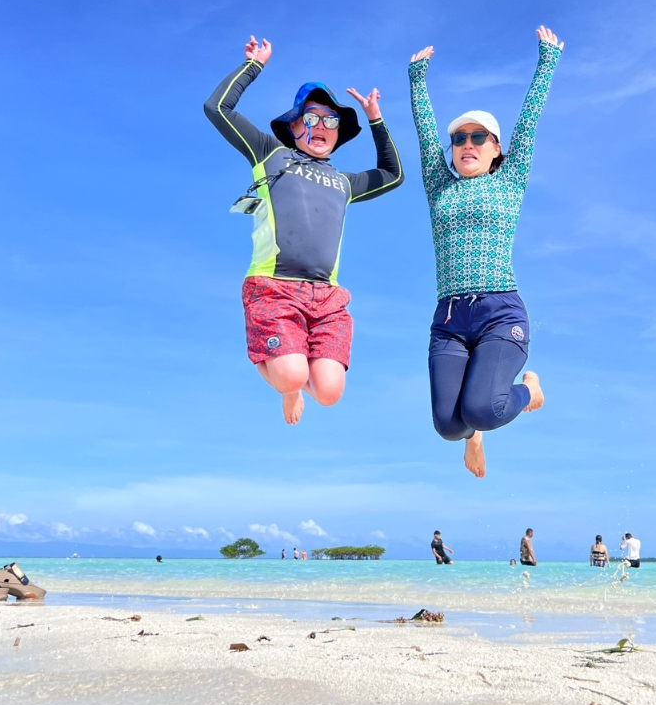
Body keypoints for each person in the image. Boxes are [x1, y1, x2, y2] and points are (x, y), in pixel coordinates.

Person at [204, 36, 405, 426]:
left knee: (329, 393)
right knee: (292, 376)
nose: (321, 127)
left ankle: (295, 378)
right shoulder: (270, 154)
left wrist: (376, 119)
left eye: (331, 121)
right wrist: (253, 66)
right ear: (293, 125)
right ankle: (289, 386)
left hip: (327, 298)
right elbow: (217, 108)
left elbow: (393, 174)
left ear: (338, 132)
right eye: (311, 118)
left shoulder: (345, 182)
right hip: (273, 288)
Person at [408, 26, 563, 477]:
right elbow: (425, 134)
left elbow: (528, 122)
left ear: (497, 149)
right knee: (449, 425)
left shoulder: (509, 182)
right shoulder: (439, 186)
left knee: (484, 409)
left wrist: (547, 61)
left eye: (479, 138)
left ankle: (529, 390)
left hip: (499, 311)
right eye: (459, 140)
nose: (467, 145)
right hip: (450, 319)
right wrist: (416, 80)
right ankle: (471, 439)